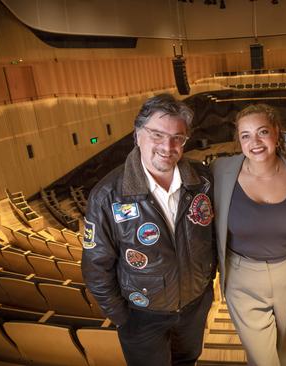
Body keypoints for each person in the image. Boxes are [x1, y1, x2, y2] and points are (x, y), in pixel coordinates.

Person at [82, 93, 216, 366]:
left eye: (178, 137)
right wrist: (122, 318)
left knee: (187, 361)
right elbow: (95, 268)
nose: (167, 146)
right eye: (157, 134)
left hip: (194, 307)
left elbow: (213, 239)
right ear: (137, 135)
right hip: (140, 316)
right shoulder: (107, 195)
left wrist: (205, 292)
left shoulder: (203, 181)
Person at [212, 104, 286, 366]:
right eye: (245, 135)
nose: (254, 142)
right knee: (263, 360)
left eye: (262, 132)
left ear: (277, 133)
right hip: (241, 277)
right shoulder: (220, 171)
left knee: (283, 353)